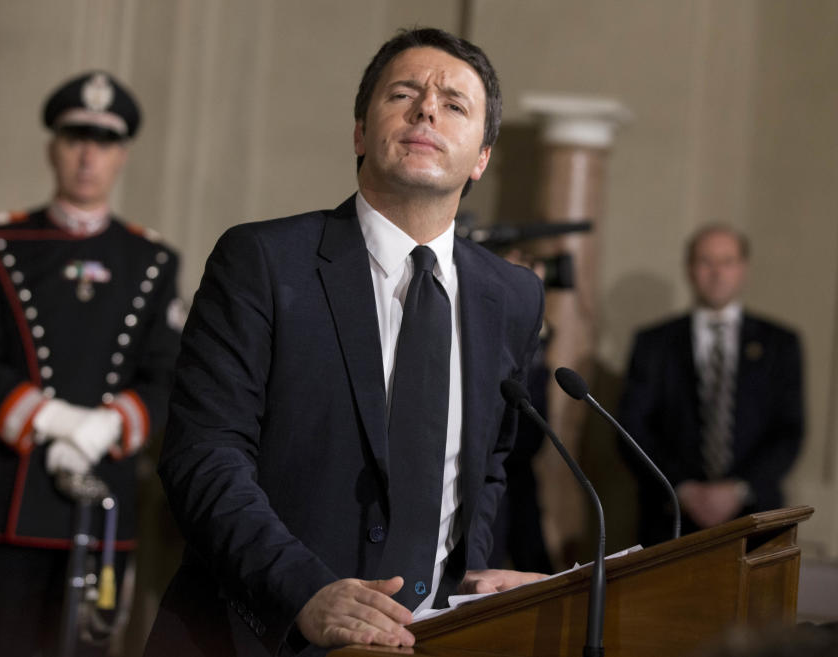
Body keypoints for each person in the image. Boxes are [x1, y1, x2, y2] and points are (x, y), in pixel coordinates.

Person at [144, 27, 545, 656]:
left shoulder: (513, 296)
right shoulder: (263, 262)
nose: (427, 110)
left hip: (426, 640)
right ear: (360, 132)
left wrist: (467, 578)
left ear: (482, 156)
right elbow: (205, 457)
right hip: (262, 634)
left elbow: (488, 466)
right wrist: (304, 591)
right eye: (404, 94)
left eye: (455, 105)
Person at [0, 71, 181, 656]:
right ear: (53, 146)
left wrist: (104, 427)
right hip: (14, 493)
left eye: (103, 142)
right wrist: (55, 421)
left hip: (104, 489)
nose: (87, 155)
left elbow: (166, 371)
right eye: (75, 138)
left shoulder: (150, 260)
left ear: (122, 155)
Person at [619, 225, 804, 547]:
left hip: (756, 518)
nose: (717, 273)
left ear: (743, 269)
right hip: (669, 519)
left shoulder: (780, 344)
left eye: (727, 261)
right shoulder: (653, 343)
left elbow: (789, 429)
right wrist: (683, 488)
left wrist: (739, 488)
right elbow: (632, 428)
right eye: (706, 261)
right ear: (689, 269)